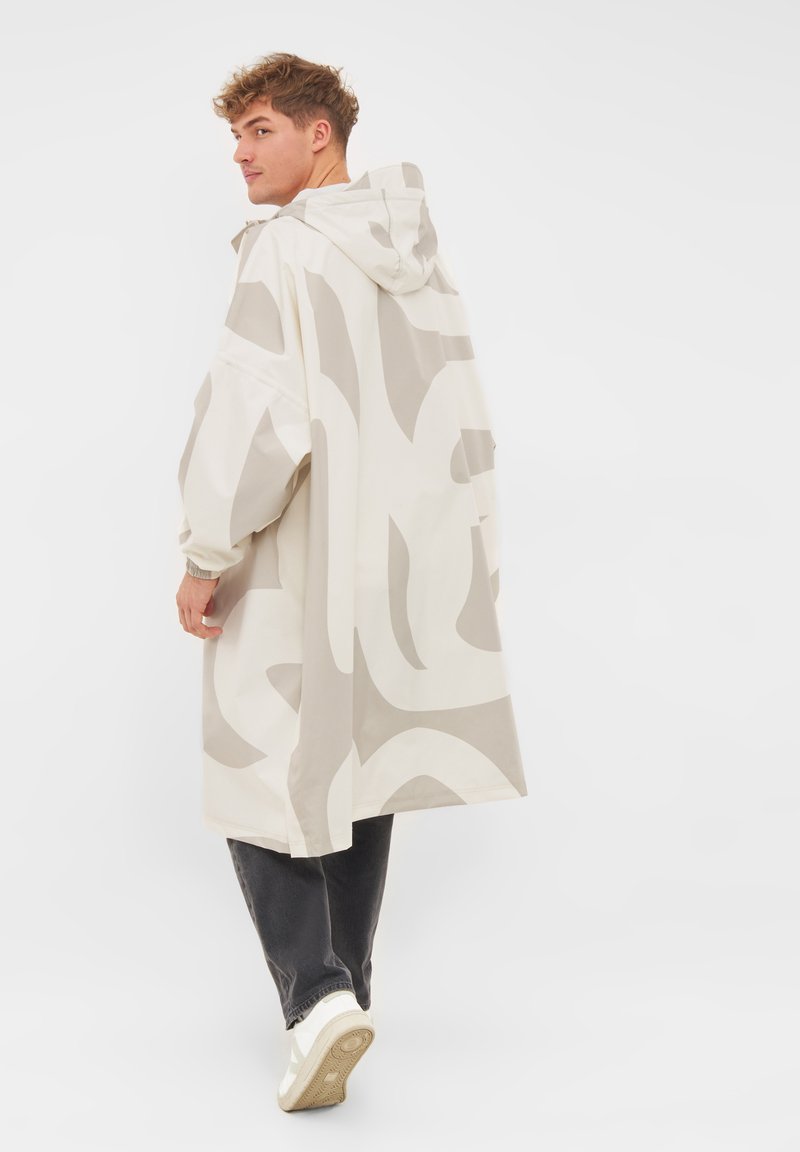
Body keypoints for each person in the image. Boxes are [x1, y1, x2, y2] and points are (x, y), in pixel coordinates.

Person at [175, 51, 528, 1112]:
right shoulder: (414, 254)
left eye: (260, 131)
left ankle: (318, 996)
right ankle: (347, 994)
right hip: (404, 562)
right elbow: (462, 408)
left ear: (318, 132)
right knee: (356, 769)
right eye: (235, 137)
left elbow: (254, 420)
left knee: (257, 762)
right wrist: (469, 554)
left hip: (302, 554)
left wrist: (204, 554)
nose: (241, 156)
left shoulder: (286, 249)